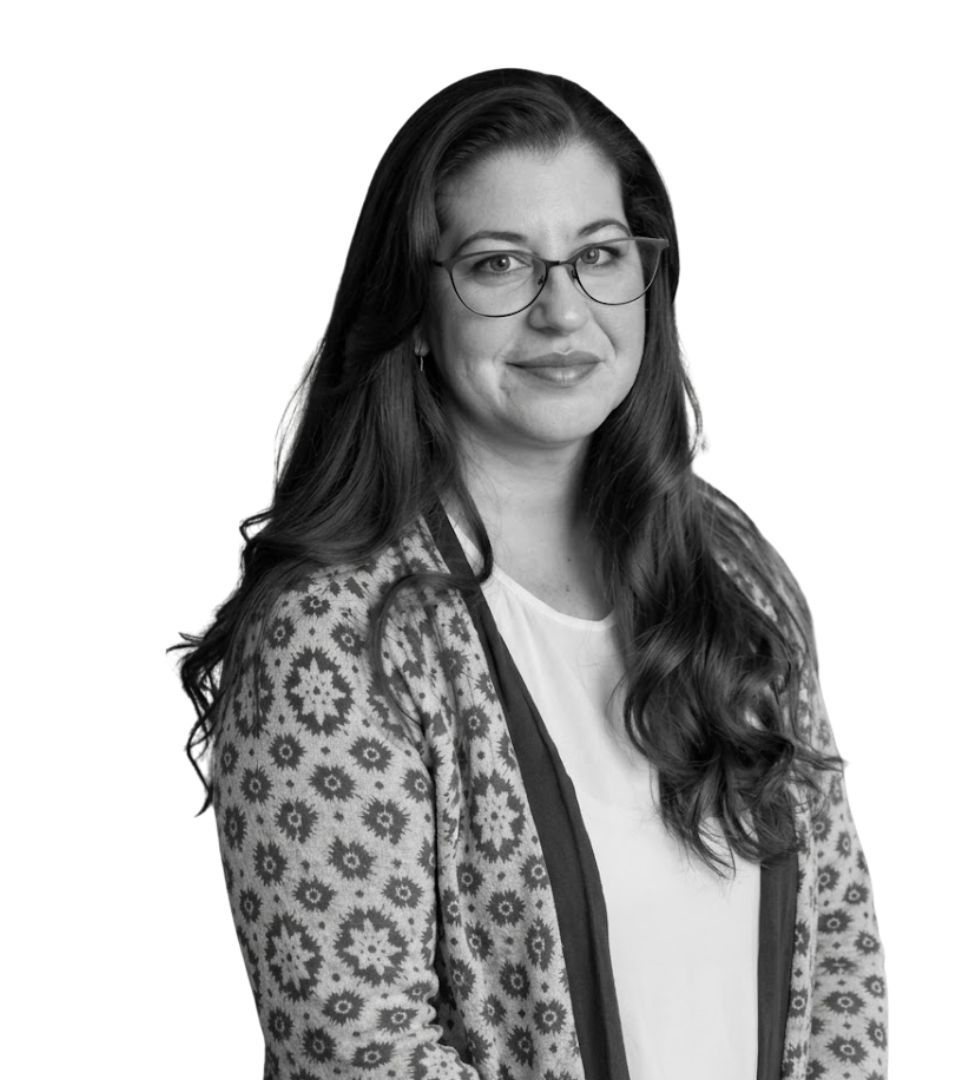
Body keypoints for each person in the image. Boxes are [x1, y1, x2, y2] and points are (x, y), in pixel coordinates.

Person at [176, 68, 886, 1080]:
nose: (563, 311)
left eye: (598, 255)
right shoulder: (333, 637)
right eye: (500, 264)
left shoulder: (725, 570)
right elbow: (360, 1048)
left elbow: (841, 952)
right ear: (414, 308)